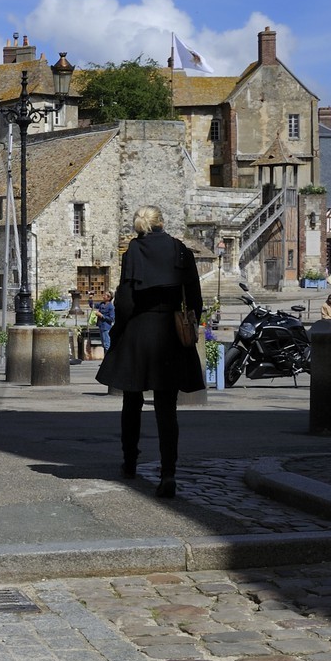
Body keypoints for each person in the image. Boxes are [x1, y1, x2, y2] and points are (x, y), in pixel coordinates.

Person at [95, 205, 204, 499]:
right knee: (166, 409)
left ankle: (130, 463)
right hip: (169, 332)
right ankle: (168, 472)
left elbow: (126, 300)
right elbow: (194, 297)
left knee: (131, 401)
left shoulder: (134, 251)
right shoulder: (181, 250)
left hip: (139, 331)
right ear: (162, 223)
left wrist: (119, 332)